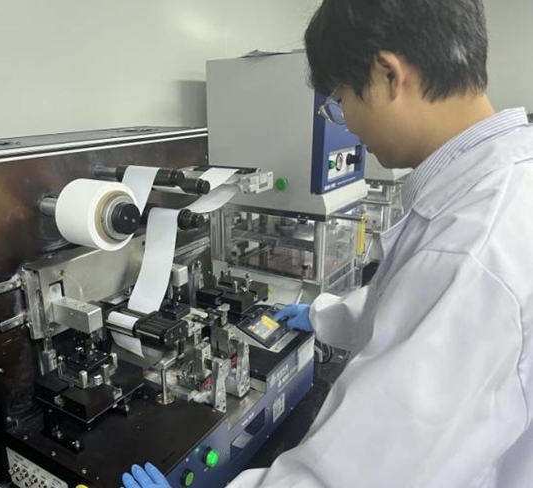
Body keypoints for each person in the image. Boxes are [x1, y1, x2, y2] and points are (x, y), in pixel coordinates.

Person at [124, 0, 533, 486]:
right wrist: (327, 315)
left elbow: (364, 473)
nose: (348, 125)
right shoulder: (500, 190)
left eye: (340, 100)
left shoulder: (472, 246)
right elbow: (413, 309)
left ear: (388, 75)